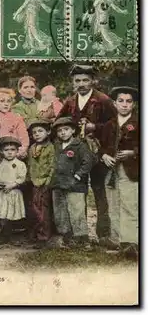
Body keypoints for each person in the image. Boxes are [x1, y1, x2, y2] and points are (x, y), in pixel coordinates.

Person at [57, 64, 117, 244]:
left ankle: (103, 234)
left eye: (85, 80)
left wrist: (95, 127)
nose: (81, 84)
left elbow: (114, 125)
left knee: (100, 191)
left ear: (93, 81)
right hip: (76, 154)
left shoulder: (103, 100)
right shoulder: (70, 101)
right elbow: (59, 122)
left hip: (98, 152)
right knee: (76, 191)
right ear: (73, 82)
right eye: (77, 81)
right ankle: (79, 233)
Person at [100, 86, 139, 259]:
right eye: (121, 101)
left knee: (130, 205)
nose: (124, 105)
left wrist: (133, 152)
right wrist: (104, 156)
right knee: (113, 205)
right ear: (115, 104)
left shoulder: (139, 123)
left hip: (131, 170)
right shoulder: (109, 124)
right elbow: (100, 146)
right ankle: (116, 240)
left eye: (128, 101)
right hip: (111, 171)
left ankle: (131, 242)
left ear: (134, 104)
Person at [50, 117, 96, 248]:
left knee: (77, 210)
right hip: (58, 183)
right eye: (59, 131)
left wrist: (78, 175)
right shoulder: (56, 145)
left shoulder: (79, 145)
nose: (63, 133)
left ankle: (81, 237)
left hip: (75, 184)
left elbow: (88, 161)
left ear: (73, 130)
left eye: (66, 129)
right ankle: (66, 236)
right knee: (60, 211)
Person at [0, 136, 27, 245]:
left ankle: (12, 235)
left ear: (17, 151)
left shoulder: (20, 164)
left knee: (12, 214)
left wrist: (12, 185)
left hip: (13, 192)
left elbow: (21, 178)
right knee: (2, 213)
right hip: (1, 192)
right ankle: (3, 235)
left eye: (13, 150)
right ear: (1, 151)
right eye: (6, 150)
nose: (10, 153)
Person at [27, 119, 55, 248]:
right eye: (34, 132)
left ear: (48, 132)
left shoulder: (50, 148)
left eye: (40, 131)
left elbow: (52, 166)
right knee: (35, 209)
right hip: (34, 182)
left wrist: (48, 182)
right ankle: (34, 234)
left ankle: (44, 237)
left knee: (44, 210)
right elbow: (30, 165)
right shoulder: (32, 148)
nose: (37, 134)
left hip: (44, 183)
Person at [0, 88, 29, 160]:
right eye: (2, 101)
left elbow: (24, 138)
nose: (6, 104)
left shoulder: (17, 118)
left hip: (15, 154)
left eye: (8, 101)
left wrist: (21, 151)